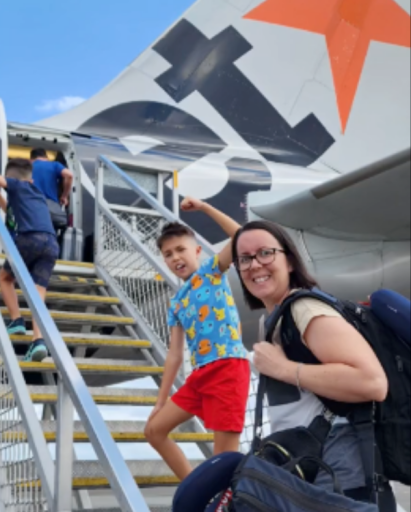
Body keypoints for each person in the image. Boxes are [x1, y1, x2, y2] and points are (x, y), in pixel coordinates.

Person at [232, 220, 395, 509]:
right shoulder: (269, 319)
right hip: (307, 465)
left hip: (339, 470)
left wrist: (283, 369)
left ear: (290, 261)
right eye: (244, 259)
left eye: (266, 253)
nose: (254, 265)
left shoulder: (304, 309)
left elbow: (372, 382)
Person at [144, 197, 250, 481]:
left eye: (181, 249)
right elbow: (175, 355)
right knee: (153, 430)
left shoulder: (212, 272)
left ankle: (216, 500)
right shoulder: (177, 302)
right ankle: (196, 490)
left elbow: (242, 236)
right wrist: (161, 400)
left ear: (198, 251)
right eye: (168, 254)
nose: (175, 257)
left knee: (222, 464)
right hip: (199, 375)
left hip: (227, 368)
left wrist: (204, 208)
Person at [0, 159, 58, 362]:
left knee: (5, 278)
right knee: (38, 294)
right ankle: (38, 340)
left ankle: (17, 320)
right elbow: (10, 210)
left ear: (9, 179)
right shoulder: (37, 195)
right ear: (31, 179)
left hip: (29, 239)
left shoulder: (17, 185)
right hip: (51, 244)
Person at [29, 148, 73, 247]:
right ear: (46, 157)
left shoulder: (28, 166)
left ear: (31, 158)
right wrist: (64, 196)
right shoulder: (54, 165)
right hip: (50, 210)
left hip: (31, 207)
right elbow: (69, 175)